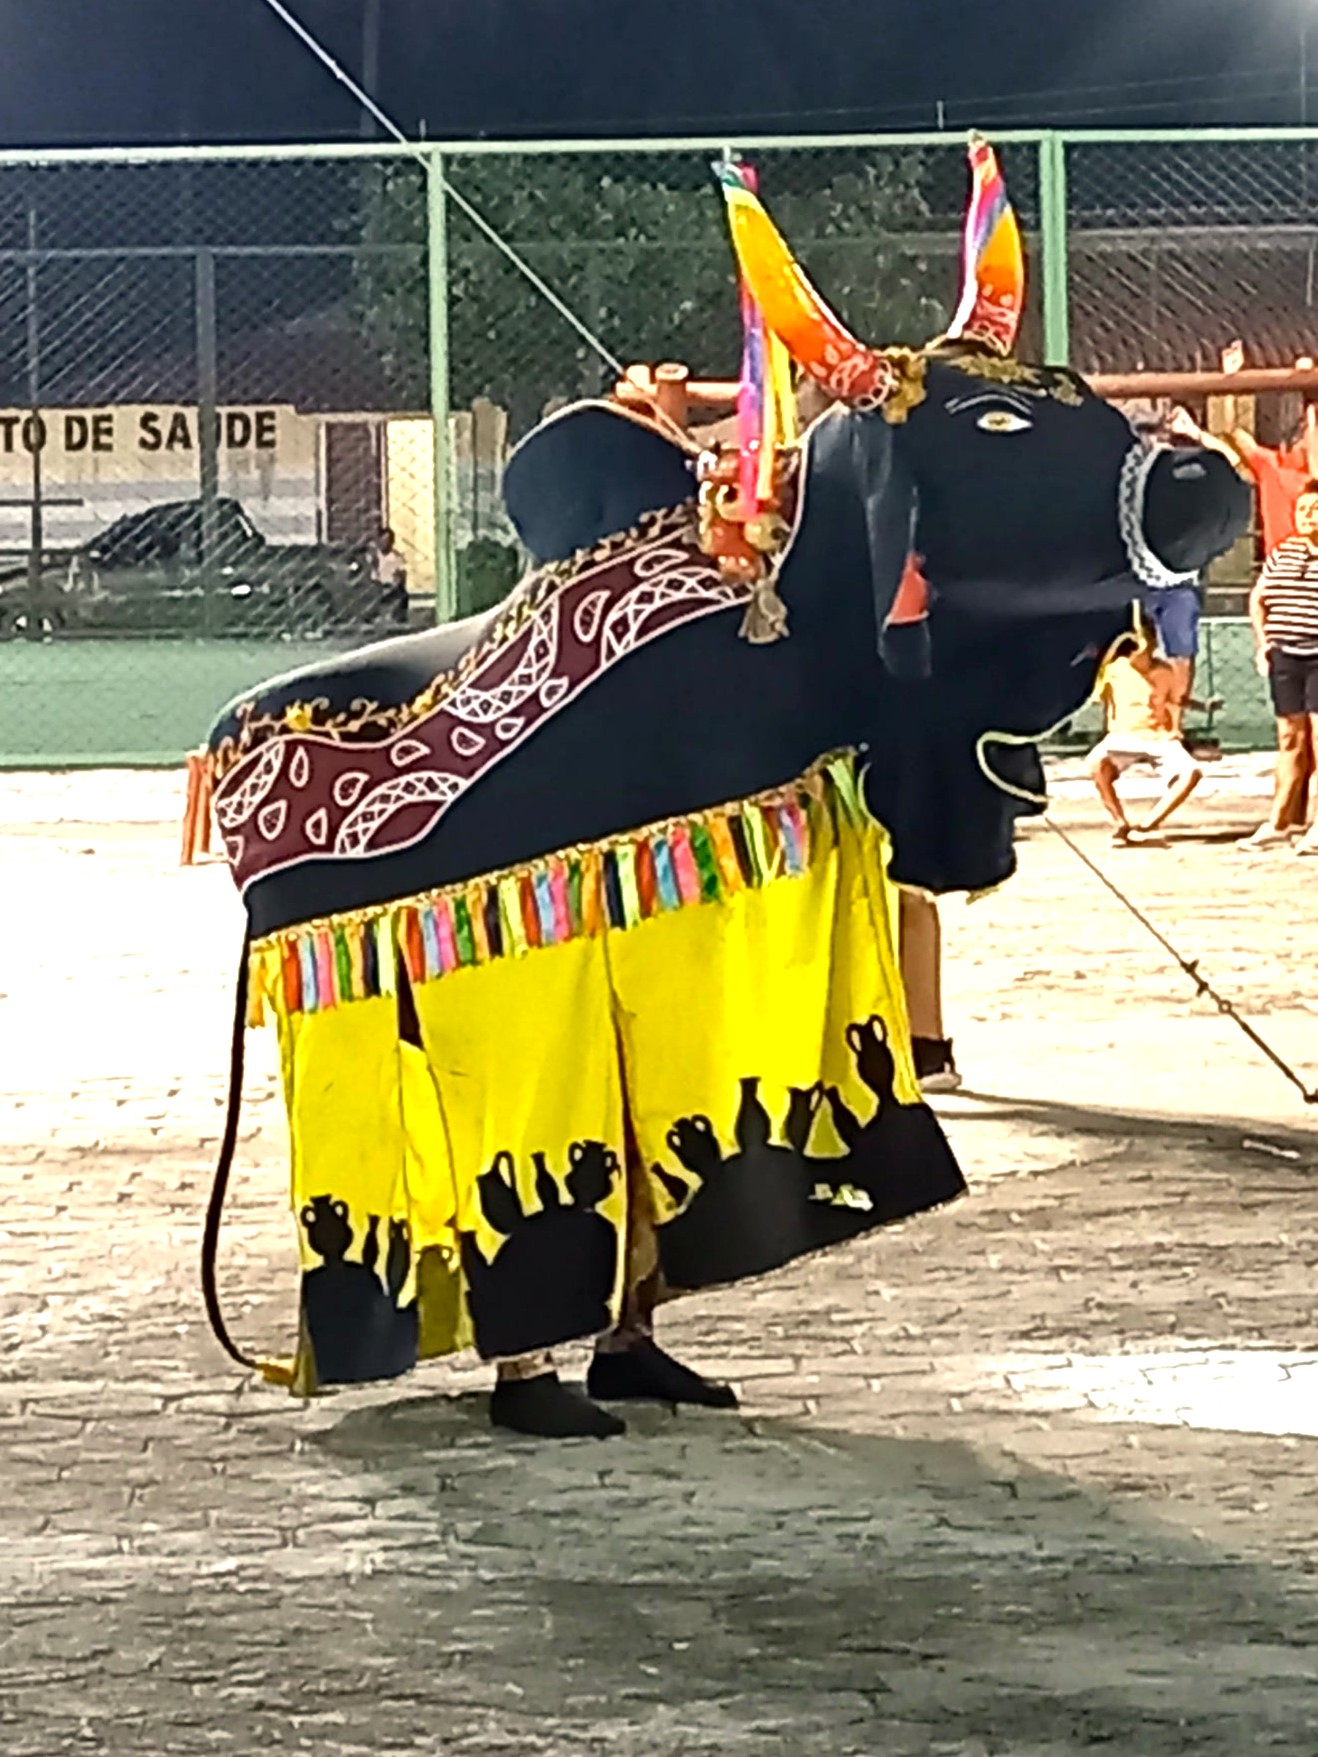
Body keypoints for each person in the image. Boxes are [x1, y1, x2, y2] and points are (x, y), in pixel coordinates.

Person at [1241, 481, 1318, 852]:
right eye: (1302, 509)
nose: (1306, 516)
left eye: (1314, 509)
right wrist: (1263, 644)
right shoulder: (1283, 552)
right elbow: (1258, 598)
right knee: (1290, 739)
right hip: (1286, 655)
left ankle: (1317, 825)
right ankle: (1279, 822)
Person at [1088, 617, 1209, 843]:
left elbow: (1177, 701)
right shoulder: (1113, 669)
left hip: (1159, 736)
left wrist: (1181, 724)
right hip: (1123, 735)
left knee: (1190, 772)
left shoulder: (1165, 671)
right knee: (1096, 762)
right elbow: (1099, 697)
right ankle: (1119, 823)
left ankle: (1146, 826)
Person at [371, 526, 409, 628]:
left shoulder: (396, 557)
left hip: (391, 586)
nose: (384, 543)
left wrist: (394, 584)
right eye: (382, 540)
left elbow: (401, 576)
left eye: (388, 540)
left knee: (402, 594)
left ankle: (398, 616)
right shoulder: (373, 556)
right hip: (375, 586)